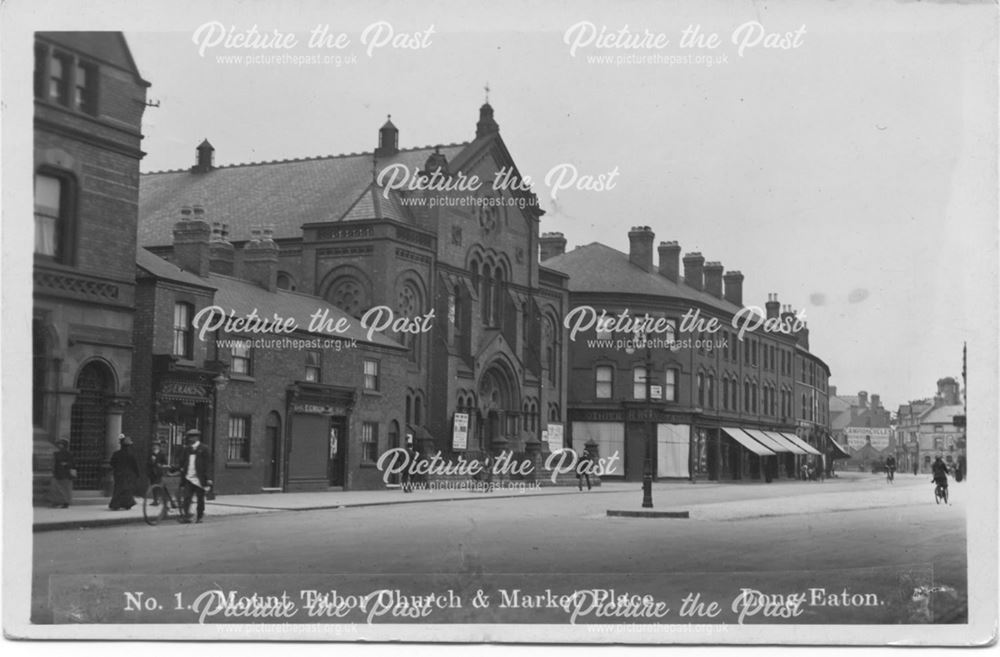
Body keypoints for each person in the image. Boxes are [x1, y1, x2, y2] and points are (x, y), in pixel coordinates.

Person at [176, 429, 212, 523]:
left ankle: (199, 516)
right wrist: (180, 468)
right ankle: (186, 517)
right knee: (187, 497)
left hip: (200, 478)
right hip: (189, 477)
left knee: (200, 499)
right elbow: (182, 461)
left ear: (197, 437)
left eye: (192, 437)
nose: (190, 439)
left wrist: (208, 478)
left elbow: (208, 464)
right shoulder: (187, 449)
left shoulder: (204, 448)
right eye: (189, 437)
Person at [109, 435, 140, 510]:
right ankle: (127, 504)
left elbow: (112, 463)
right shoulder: (131, 454)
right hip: (129, 475)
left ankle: (116, 504)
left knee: (118, 489)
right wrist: (137, 474)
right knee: (127, 489)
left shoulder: (116, 454)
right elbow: (135, 465)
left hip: (119, 474)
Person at [49, 438, 75, 508]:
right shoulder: (56, 454)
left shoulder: (69, 454)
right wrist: (53, 470)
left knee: (65, 489)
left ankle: (65, 502)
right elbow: (53, 463)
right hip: (57, 473)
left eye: (61, 444)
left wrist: (66, 464)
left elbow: (72, 463)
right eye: (59, 444)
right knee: (55, 488)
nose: (60, 446)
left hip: (66, 474)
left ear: (65, 445)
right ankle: (56, 502)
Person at [146, 440, 168, 506]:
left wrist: (160, 464)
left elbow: (165, 463)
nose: (154, 447)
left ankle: (159, 499)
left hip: (158, 473)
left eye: (156, 446)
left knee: (158, 486)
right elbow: (147, 463)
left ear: (158, 447)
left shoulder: (162, 454)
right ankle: (155, 500)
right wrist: (151, 462)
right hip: (152, 473)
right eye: (153, 446)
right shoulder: (151, 454)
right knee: (153, 486)